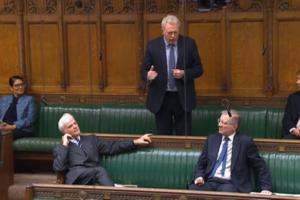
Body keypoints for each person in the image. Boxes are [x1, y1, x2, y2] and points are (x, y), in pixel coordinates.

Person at [141, 14, 204, 135]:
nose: (173, 36)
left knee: (184, 137)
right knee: (164, 137)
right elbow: (143, 71)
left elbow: (199, 69)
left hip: (183, 98)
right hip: (161, 98)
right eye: (170, 33)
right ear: (163, 30)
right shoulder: (152, 45)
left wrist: (184, 73)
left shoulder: (189, 44)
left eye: (176, 32)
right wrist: (148, 75)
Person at [53, 113, 152, 185]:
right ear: (65, 132)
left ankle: (111, 192)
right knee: (99, 171)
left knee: (98, 171)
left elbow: (112, 146)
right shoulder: (61, 148)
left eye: (75, 123)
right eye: (70, 126)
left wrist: (135, 142)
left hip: (92, 175)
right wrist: (65, 144)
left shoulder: (91, 139)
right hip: (76, 178)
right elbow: (59, 168)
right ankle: (113, 194)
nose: (75, 126)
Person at [189, 110, 272, 194]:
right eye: (219, 121)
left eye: (224, 123)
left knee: (226, 194)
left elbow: (259, 165)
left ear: (234, 126)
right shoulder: (211, 139)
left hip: (231, 184)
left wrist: (266, 188)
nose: (219, 125)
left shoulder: (245, 142)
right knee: (192, 191)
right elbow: (201, 164)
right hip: (210, 181)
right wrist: (199, 176)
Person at [0, 75, 37, 140]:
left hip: (22, 129)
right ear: (11, 88)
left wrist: (12, 127)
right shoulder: (4, 99)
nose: (20, 87)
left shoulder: (29, 99)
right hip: (4, 127)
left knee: (3, 135)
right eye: (17, 85)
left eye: (22, 85)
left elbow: (30, 120)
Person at [282, 70, 300, 139]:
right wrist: (293, 130)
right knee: (287, 139)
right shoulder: (293, 98)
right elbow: (286, 120)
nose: (297, 82)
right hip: (295, 135)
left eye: (299, 79)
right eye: (298, 79)